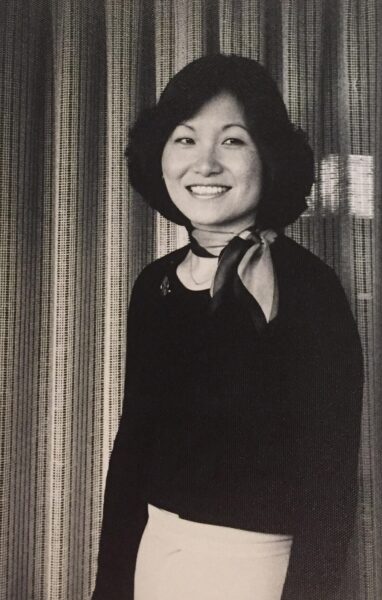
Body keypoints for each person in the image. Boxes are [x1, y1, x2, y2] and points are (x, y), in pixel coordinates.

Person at [92, 54, 363, 600]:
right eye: (185, 139)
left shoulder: (308, 288)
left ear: (270, 156)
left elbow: (331, 477)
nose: (206, 164)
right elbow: (134, 443)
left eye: (233, 140)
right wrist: (111, 586)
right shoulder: (155, 284)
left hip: (255, 567)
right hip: (154, 551)